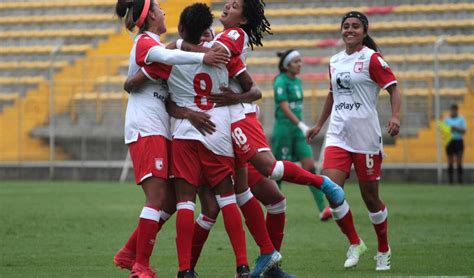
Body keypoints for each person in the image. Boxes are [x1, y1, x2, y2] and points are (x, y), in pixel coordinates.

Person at [125, 3, 253, 277]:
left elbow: (158, 93)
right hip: (216, 128)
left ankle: (185, 270)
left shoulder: (172, 60)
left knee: (184, 202)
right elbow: (250, 86)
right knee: (227, 199)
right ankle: (242, 266)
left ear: (182, 29)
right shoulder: (223, 54)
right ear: (208, 30)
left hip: (184, 131)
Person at [307, 11, 402, 271]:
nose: (350, 30)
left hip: (365, 137)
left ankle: (383, 249)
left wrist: (394, 116)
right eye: (346, 26)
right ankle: (355, 242)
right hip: (338, 135)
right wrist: (318, 125)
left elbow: (393, 88)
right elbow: (331, 95)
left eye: (355, 26)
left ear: (364, 31)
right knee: (330, 188)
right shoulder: (335, 60)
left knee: (370, 198)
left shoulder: (371, 59)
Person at [272, 49, 331, 221]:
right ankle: (275, 208)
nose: (300, 64)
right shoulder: (280, 81)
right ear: (287, 65)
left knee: (310, 166)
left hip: (298, 132)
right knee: (277, 173)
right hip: (283, 131)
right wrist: (302, 125)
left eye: (300, 61)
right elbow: (284, 107)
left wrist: (300, 126)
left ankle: (322, 209)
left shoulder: (297, 81)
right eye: (296, 61)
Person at [444, 104, 466, 184]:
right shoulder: (447, 120)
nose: (453, 112)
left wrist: (455, 128)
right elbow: (444, 131)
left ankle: (460, 180)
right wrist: (449, 130)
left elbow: (464, 131)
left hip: (458, 141)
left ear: (457, 111)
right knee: (450, 160)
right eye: (451, 110)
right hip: (450, 141)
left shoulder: (461, 119)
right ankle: (451, 181)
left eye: (454, 110)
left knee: (459, 161)